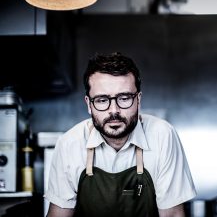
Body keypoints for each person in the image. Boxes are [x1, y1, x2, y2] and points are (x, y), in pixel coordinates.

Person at [45, 52, 197, 217]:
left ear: (138, 100)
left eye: (124, 98)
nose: (114, 111)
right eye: (102, 100)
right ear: (89, 104)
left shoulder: (162, 136)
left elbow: (173, 214)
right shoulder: (69, 143)